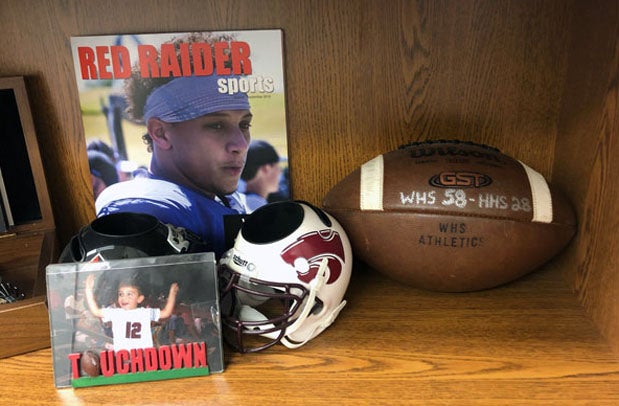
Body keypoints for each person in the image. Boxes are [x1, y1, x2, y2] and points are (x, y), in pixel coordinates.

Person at [95, 32, 252, 257]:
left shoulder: (221, 198)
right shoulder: (146, 210)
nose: (241, 144)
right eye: (216, 125)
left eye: (244, 124)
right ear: (161, 133)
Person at [84, 273, 178, 351]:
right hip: (123, 359)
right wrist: (88, 290)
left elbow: (166, 313)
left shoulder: (144, 313)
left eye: (129, 294)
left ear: (139, 298)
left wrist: (172, 293)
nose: (124, 298)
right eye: (121, 294)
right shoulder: (115, 312)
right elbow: (95, 311)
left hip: (143, 358)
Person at [239, 140, 283, 212]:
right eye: (277, 166)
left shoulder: (241, 200)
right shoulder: (256, 205)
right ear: (266, 168)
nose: (280, 171)